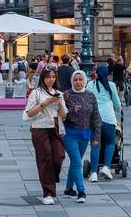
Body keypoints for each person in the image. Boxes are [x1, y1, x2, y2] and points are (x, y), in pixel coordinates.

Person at [25, 66, 67, 204]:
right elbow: (29, 113)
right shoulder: (36, 93)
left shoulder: (58, 93)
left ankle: (50, 178)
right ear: (43, 78)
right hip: (39, 127)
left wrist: (60, 103)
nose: (51, 79)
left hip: (55, 126)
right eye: (48, 76)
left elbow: (64, 115)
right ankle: (48, 192)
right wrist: (44, 103)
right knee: (45, 158)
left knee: (59, 156)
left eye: (53, 77)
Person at [61, 69, 98, 200]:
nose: (78, 82)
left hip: (85, 135)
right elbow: (61, 115)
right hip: (69, 134)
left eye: (80, 79)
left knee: (75, 162)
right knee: (77, 162)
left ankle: (69, 188)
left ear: (84, 81)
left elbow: (96, 117)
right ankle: (81, 191)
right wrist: (71, 111)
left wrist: (96, 137)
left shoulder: (90, 96)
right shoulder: (66, 95)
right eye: (75, 80)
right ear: (72, 81)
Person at [90, 65, 121, 180]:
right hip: (108, 118)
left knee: (95, 144)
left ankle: (93, 172)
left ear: (96, 74)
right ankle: (106, 167)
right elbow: (117, 104)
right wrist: (119, 111)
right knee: (110, 143)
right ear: (108, 75)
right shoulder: (111, 86)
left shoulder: (90, 85)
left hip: (94, 119)